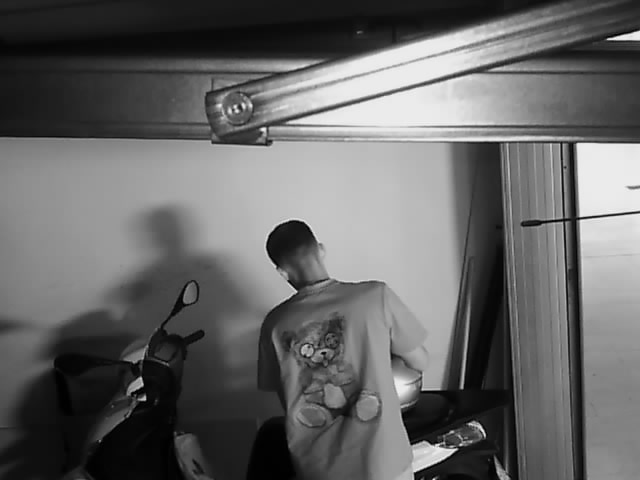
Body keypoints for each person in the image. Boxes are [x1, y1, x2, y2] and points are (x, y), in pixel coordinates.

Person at [257, 219, 430, 480]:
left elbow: (287, 395)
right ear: (321, 250)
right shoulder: (376, 296)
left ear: (282, 272)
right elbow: (420, 362)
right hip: (384, 462)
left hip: (320, 469)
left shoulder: (274, 325)